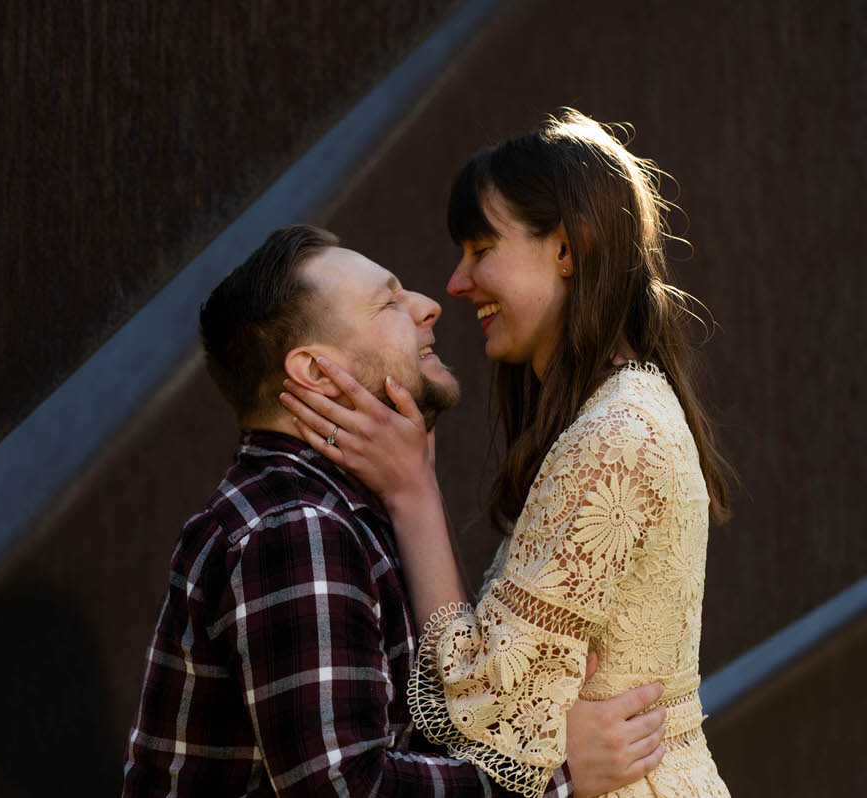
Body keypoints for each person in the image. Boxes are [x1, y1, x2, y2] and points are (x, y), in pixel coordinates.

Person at [122, 224, 669, 797]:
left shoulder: (343, 506)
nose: (430, 306)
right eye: (389, 302)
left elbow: (424, 727)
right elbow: (348, 789)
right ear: (314, 372)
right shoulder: (295, 525)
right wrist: (551, 773)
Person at [280, 110, 734, 797]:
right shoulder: (621, 413)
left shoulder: (616, 434)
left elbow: (483, 710)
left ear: (567, 248)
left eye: (481, 248)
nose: (456, 283)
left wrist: (412, 494)